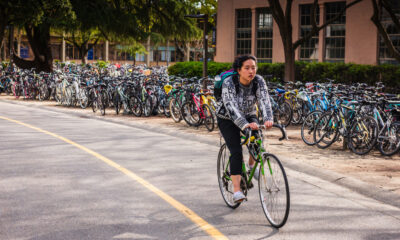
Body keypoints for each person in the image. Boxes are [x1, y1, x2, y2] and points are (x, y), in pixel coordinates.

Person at [216, 55, 274, 203]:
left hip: (249, 114)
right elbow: (231, 106)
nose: (251, 71)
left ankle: (251, 165)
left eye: (253, 67)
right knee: (236, 151)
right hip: (227, 118)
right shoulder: (229, 83)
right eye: (247, 68)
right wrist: (244, 124)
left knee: (256, 140)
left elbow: (264, 100)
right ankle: (236, 191)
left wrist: (268, 119)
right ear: (239, 70)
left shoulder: (258, 81)